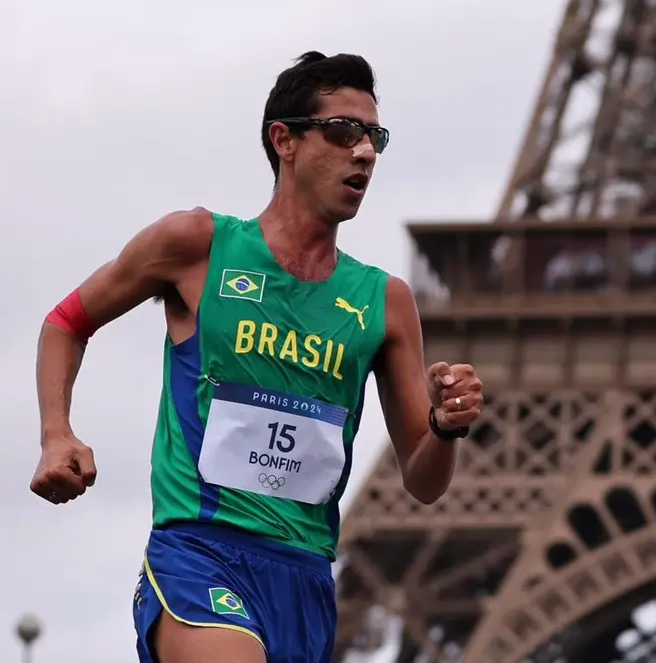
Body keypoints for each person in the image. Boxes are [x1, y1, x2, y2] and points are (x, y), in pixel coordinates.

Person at [29, 52, 485, 663]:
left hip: (304, 579)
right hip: (200, 553)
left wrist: (445, 427)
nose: (365, 152)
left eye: (374, 136)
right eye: (344, 131)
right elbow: (66, 322)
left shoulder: (385, 302)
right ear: (285, 140)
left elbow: (423, 482)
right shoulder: (196, 245)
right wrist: (56, 433)